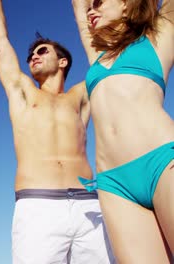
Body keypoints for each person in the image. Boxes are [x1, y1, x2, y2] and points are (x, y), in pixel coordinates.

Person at [0, 0, 115, 263]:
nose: (33, 56)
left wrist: (80, 7)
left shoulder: (80, 95)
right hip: (38, 204)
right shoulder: (23, 91)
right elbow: (0, 39)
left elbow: (102, 55)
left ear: (62, 61)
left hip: (87, 205)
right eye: (30, 55)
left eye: (41, 51)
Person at [72, 0, 174, 262]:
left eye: (98, 3)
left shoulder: (159, 37)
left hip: (162, 162)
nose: (90, 10)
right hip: (115, 184)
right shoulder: (97, 53)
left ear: (128, 5)